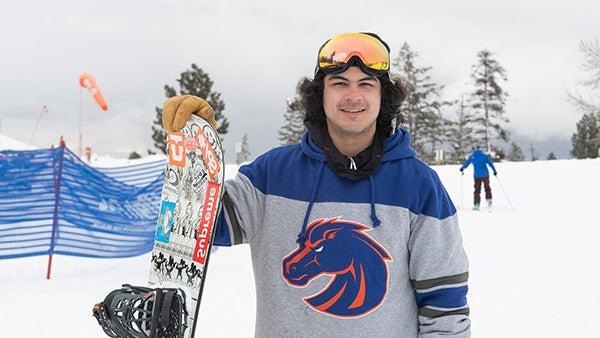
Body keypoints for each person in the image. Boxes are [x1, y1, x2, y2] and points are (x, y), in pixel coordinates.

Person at [162, 32, 470, 337]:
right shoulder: (272, 175)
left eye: (366, 84)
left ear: (382, 97)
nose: (353, 96)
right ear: (319, 94)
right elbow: (196, 227)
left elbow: (445, 309)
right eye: (339, 84)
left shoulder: (418, 185)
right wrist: (195, 155)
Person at [460, 146, 497, 210]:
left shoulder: (472, 156)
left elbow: (467, 163)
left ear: (474, 150)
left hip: (477, 176)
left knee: (477, 190)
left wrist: (462, 168)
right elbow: (490, 163)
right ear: (480, 149)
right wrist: (494, 171)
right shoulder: (484, 156)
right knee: (487, 188)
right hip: (485, 175)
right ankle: (489, 200)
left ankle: (477, 204)